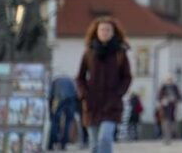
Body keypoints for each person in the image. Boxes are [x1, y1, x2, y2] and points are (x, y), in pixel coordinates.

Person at [75, 17, 133, 153]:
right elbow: (80, 77)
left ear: (113, 32)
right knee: (94, 145)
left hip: (111, 105)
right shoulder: (89, 53)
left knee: (105, 138)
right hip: (92, 104)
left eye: (108, 30)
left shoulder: (120, 53)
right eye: (102, 29)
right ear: (96, 32)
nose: (104, 32)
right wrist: (84, 94)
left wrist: (119, 92)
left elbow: (127, 77)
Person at [47, 74, 78, 150]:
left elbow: (50, 97)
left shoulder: (55, 81)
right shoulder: (70, 80)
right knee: (68, 122)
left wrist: (50, 113)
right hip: (70, 99)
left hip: (59, 98)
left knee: (55, 121)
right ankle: (63, 143)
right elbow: (76, 94)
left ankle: (52, 143)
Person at [157, 76, 182, 145]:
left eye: (170, 79)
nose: (169, 81)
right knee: (165, 124)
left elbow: (179, 96)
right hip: (164, 109)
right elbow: (159, 97)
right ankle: (166, 138)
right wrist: (163, 99)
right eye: (168, 79)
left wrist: (174, 99)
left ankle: (169, 137)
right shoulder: (163, 87)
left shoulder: (175, 87)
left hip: (172, 108)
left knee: (171, 124)